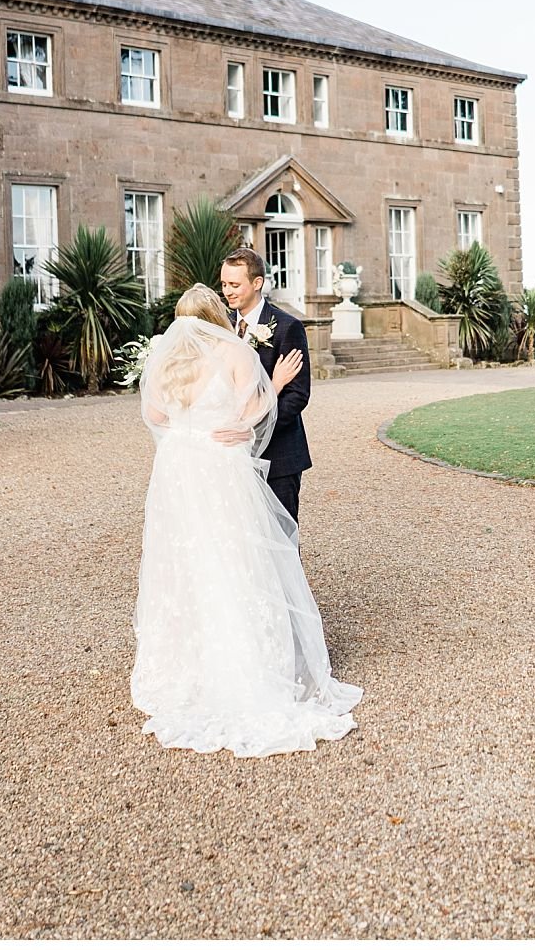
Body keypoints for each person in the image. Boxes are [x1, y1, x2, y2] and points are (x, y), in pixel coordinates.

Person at [129, 283, 361, 757]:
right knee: (236, 555)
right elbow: (252, 413)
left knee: (184, 559)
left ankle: (186, 667)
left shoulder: (167, 359)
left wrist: (186, 430)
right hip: (218, 466)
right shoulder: (232, 353)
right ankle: (248, 661)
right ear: (215, 314)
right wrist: (272, 387)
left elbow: (154, 413)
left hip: (177, 468)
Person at [217, 246, 313, 524]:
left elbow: (297, 396)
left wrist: (254, 427)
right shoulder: (222, 327)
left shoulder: (287, 327)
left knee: (281, 533)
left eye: (235, 284)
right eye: (224, 284)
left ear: (257, 283)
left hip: (279, 453)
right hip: (234, 454)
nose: (228, 291)